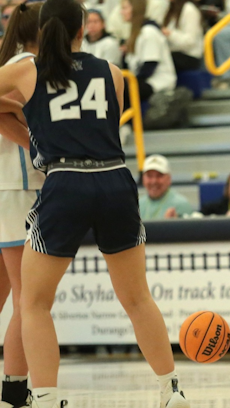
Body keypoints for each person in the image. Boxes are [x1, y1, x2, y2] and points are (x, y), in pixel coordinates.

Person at [0, 1, 190, 407]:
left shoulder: (25, 68)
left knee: (33, 303)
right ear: (82, 28)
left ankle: (47, 399)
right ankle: (171, 390)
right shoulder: (113, 72)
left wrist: (20, 109)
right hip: (115, 179)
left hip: (65, 181)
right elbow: (100, 125)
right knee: (138, 298)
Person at [0, 4, 44, 408]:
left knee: (8, 296)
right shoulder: (25, 65)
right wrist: (38, 141)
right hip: (16, 189)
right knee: (26, 298)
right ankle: (15, 391)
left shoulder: (11, 63)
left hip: (7, 189)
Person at [121, 0, 177, 105]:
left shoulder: (149, 32)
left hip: (158, 82)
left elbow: (150, 65)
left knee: (122, 90)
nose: (121, 12)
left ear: (135, 9)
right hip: (144, 80)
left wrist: (131, 82)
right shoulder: (134, 34)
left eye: (124, 8)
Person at [139, 154, 194, 220]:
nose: (154, 181)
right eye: (149, 176)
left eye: (159, 176)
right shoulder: (137, 206)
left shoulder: (181, 205)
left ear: (169, 178)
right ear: (143, 179)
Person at [162, 0, 204, 73]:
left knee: (159, 61)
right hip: (173, 52)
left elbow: (190, 41)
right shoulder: (170, 9)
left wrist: (169, 34)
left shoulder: (189, 10)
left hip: (189, 56)